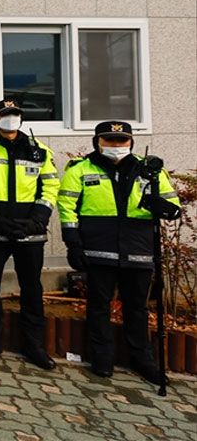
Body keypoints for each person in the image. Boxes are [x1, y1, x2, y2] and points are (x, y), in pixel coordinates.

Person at [58, 121, 181, 383]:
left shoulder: (149, 170)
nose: (116, 146)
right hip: (98, 249)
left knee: (137, 307)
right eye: (110, 141)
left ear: (131, 143)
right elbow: (67, 207)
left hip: (138, 249)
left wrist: (162, 204)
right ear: (97, 142)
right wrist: (74, 243)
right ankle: (102, 357)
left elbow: (172, 205)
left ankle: (142, 359)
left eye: (121, 141)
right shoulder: (80, 169)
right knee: (98, 306)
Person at [0, 99, 59, 369]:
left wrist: (38, 219)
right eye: (5, 115)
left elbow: (50, 186)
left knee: (32, 288)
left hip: (30, 232)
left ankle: (34, 346)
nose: (11, 119)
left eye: (15, 114)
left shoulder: (39, 150)